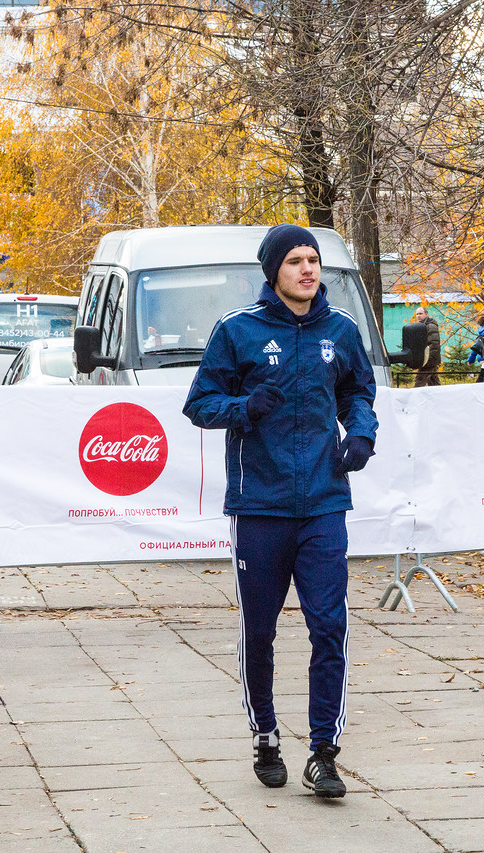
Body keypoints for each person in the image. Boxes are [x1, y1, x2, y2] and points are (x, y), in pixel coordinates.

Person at [183, 223, 378, 800]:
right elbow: (199, 403)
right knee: (259, 630)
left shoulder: (340, 330)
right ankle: (265, 735)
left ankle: (324, 752)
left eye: (313, 260)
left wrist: (361, 436)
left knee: (329, 625)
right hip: (260, 505)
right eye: (295, 260)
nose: (308, 269)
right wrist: (244, 406)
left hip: (323, 502)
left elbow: (359, 392)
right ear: (274, 270)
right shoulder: (238, 330)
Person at [412, 306, 441, 387]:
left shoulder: (430, 326)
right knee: (434, 383)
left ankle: (415, 398)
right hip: (427, 359)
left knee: (419, 382)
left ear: (426, 314)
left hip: (428, 360)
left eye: (420, 314)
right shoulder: (422, 326)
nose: (418, 316)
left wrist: (428, 360)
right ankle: (440, 397)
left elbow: (434, 344)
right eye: (417, 314)